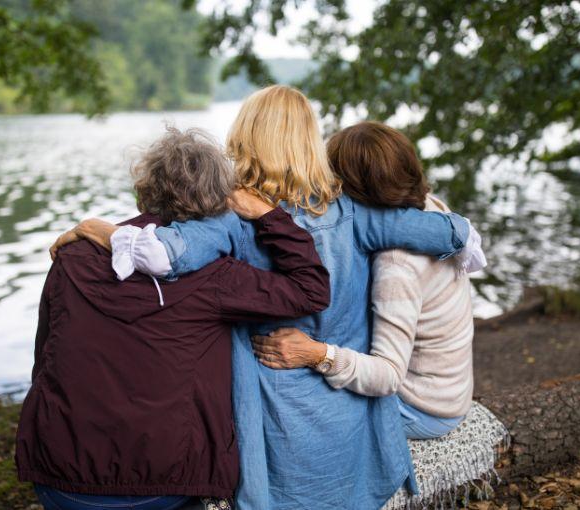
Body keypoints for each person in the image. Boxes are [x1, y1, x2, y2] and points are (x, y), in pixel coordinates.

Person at [53, 86, 480, 509]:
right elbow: (454, 233)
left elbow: (161, 255)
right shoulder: (355, 212)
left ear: (244, 138)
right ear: (312, 143)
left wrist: (96, 229)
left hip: (275, 428)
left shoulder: (229, 217)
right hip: (350, 418)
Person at [16, 127, 331, 510]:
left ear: (144, 189)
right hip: (162, 483)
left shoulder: (72, 256)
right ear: (219, 200)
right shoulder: (218, 276)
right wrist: (270, 215)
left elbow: (45, 360)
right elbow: (311, 289)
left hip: (59, 475)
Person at [250, 121, 482, 440]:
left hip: (421, 408)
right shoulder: (430, 212)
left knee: (292, 406)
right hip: (448, 388)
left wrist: (315, 353)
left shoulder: (397, 265)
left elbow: (387, 376)